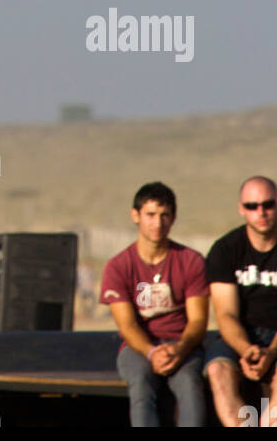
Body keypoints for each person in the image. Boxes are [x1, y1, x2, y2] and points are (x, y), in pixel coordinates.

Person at [99, 181, 209, 427]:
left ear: (173, 218)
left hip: (183, 345)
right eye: (150, 215)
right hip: (138, 347)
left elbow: (199, 320)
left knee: (190, 384)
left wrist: (179, 350)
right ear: (135, 215)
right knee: (140, 382)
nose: (157, 223)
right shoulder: (118, 266)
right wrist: (151, 352)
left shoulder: (191, 261)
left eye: (164, 215)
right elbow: (126, 325)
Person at [205, 175, 277, 427]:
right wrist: (246, 350)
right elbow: (225, 313)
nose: (261, 212)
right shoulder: (225, 250)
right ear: (241, 209)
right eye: (252, 206)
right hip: (239, 336)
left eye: (268, 204)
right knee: (218, 370)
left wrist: (271, 352)